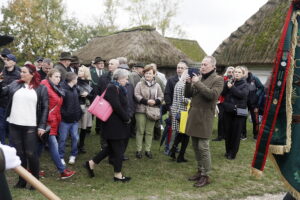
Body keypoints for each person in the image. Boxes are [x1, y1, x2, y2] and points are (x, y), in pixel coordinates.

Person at [1, 64, 48, 189]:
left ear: (32, 74)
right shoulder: (15, 84)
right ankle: (22, 181)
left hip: (31, 126)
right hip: (14, 124)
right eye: (21, 71)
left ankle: (35, 181)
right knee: (20, 154)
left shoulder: (41, 88)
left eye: (24, 72)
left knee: (31, 153)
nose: (21, 74)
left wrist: (42, 126)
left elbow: (45, 108)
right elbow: (2, 93)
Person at [84, 69, 131, 182]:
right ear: (118, 79)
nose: (127, 81)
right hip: (114, 125)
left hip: (116, 124)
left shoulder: (118, 88)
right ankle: (118, 175)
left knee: (110, 148)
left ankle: (91, 163)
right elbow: (116, 106)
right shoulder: (112, 88)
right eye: (125, 78)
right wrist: (127, 118)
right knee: (118, 150)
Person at [185, 56, 224, 187]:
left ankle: (206, 175)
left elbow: (212, 95)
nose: (202, 67)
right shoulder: (199, 78)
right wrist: (188, 83)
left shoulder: (218, 79)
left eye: (205, 64)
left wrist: (197, 82)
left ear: (213, 66)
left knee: (203, 147)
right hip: (194, 115)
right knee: (195, 146)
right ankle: (200, 170)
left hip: (205, 116)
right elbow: (188, 94)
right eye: (201, 64)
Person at [40, 69, 76, 179]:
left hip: (53, 121)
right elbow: (41, 105)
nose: (58, 79)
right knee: (52, 145)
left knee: (39, 148)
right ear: (49, 77)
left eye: (59, 77)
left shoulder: (55, 87)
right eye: (56, 76)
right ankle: (62, 171)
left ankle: (33, 169)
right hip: (46, 123)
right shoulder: (44, 86)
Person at [134, 64, 164, 159]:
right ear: (144, 74)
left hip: (152, 111)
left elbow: (161, 96)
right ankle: (138, 150)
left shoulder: (157, 85)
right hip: (141, 110)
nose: (148, 75)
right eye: (146, 73)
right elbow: (136, 94)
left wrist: (156, 101)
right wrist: (146, 101)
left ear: (154, 74)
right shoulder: (139, 84)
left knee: (149, 131)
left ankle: (147, 150)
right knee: (140, 130)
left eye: (150, 73)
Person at [222, 66, 249, 160]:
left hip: (239, 112)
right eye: (235, 72)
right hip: (229, 110)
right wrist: (226, 85)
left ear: (243, 74)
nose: (236, 74)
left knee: (236, 133)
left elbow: (242, 95)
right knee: (228, 132)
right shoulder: (231, 82)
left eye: (239, 72)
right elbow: (223, 93)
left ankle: (232, 153)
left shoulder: (245, 84)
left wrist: (232, 88)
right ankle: (227, 151)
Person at [163, 61, 188, 153]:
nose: (180, 69)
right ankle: (167, 148)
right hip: (173, 108)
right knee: (171, 130)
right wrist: (170, 107)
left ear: (186, 70)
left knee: (181, 130)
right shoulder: (171, 80)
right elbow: (167, 94)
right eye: (178, 67)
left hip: (185, 110)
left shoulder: (188, 81)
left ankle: (175, 147)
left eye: (182, 68)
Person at [59, 72, 82, 165]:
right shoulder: (62, 90)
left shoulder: (75, 89)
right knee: (62, 139)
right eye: (76, 78)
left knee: (75, 138)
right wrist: (64, 114)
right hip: (65, 120)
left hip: (75, 119)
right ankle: (60, 156)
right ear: (73, 79)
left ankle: (73, 155)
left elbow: (77, 102)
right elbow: (60, 105)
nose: (77, 80)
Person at [96, 58, 119, 148]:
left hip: (117, 106)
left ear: (117, 65)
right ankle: (104, 146)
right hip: (105, 105)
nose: (109, 65)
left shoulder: (121, 77)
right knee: (104, 126)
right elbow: (98, 91)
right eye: (109, 64)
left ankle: (114, 146)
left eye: (112, 64)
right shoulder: (103, 77)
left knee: (116, 127)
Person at [169, 72, 190, 162]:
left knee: (181, 133)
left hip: (177, 111)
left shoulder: (178, 83)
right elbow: (183, 99)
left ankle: (173, 151)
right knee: (186, 134)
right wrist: (193, 100)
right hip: (184, 112)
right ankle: (180, 156)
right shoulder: (184, 85)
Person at [0, 53, 20, 144]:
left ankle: (11, 147)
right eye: (5, 60)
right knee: (1, 126)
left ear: (14, 63)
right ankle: (2, 145)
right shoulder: (2, 72)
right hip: (2, 104)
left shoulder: (18, 75)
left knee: (12, 127)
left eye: (8, 60)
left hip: (13, 105)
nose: (6, 61)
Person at [241, 67, 264, 140]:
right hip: (243, 102)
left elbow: (261, 87)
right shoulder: (240, 79)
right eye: (241, 71)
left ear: (247, 71)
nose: (242, 73)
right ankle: (243, 134)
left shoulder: (254, 78)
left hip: (254, 102)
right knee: (242, 117)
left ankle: (256, 135)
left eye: (243, 71)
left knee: (255, 119)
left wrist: (256, 95)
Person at [213, 66, 234, 141]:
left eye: (232, 72)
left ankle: (226, 135)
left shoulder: (235, 80)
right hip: (221, 101)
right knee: (221, 118)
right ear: (226, 72)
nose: (230, 73)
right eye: (229, 72)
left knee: (227, 119)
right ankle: (220, 136)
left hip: (230, 102)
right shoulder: (222, 79)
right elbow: (221, 91)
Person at [77, 65, 93, 154]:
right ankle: (75, 143)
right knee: (75, 127)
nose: (79, 72)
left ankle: (81, 145)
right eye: (79, 71)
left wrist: (87, 95)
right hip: (77, 105)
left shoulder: (89, 83)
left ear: (86, 73)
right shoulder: (75, 81)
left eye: (81, 71)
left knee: (83, 127)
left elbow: (93, 96)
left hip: (86, 106)